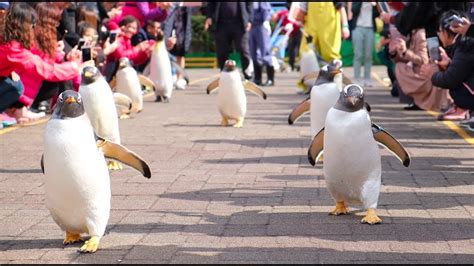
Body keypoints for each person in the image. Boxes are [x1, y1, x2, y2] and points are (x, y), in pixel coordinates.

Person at [0, 3, 83, 125]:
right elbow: (44, 68)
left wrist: (64, 56)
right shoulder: (13, 48)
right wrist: (74, 66)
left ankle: (15, 110)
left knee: (14, 84)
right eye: (33, 25)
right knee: (15, 86)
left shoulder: (9, 42)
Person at [420, 10, 474, 123]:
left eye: (439, 31)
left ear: (445, 31)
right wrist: (448, 64)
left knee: (458, 90)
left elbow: (450, 80)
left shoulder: (464, 47)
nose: (439, 35)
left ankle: (467, 111)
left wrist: (432, 74)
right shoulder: (463, 45)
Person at [393, 28, 450, 111]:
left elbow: (423, 60)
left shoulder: (420, 35)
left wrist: (406, 52)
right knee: (399, 68)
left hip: (426, 72)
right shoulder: (412, 33)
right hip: (428, 70)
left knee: (400, 69)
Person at [204, 2, 254, 80]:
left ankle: (246, 70)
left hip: (240, 24)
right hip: (221, 24)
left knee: (244, 49)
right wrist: (209, 16)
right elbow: (210, 3)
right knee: (222, 51)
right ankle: (223, 72)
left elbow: (249, 3)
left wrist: (250, 20)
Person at [104, 15, 155, 81]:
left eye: (134, 28)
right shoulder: (118, 37)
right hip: (111, 70)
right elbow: (121, 56)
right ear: (122, 26)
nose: (131, 30)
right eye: (129, 27)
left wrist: (144, 53)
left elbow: (133, 60)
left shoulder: (127, 40)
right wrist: (137, 49)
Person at [348, 2, 379, 87]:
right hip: (358, 28)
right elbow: (353, 10)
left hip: (370, 28)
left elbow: (377, 14)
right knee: (358, 54)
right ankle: (357, 78)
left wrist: (375, 5)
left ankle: (367, 78)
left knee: (368, 55)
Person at [163, 2, 193, 90]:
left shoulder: (186, 9)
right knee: (164, 53)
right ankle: (170, 77)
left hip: (181, 24)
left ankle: (179, 78)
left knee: (180, 53)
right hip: (169, 20)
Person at [249, 2, 274, 86]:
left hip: (261, 25)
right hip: (251, 26)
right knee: (253, 53)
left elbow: (266, 9)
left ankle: (270, 78)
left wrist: (266, 21)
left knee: (265, 51)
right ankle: (257, 78)